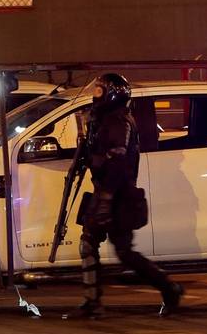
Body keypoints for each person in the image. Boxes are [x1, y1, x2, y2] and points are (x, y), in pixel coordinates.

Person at [65, 73, 182, 320]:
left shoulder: (119, 121)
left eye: (99, 91)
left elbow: (117, 161)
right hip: (105, 190)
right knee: (88, 243)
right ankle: (92, 302)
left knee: (124, 252)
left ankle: (169, 287)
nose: (95, 95)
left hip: (118, 193)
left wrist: (106, 199)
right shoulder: (102, 119)